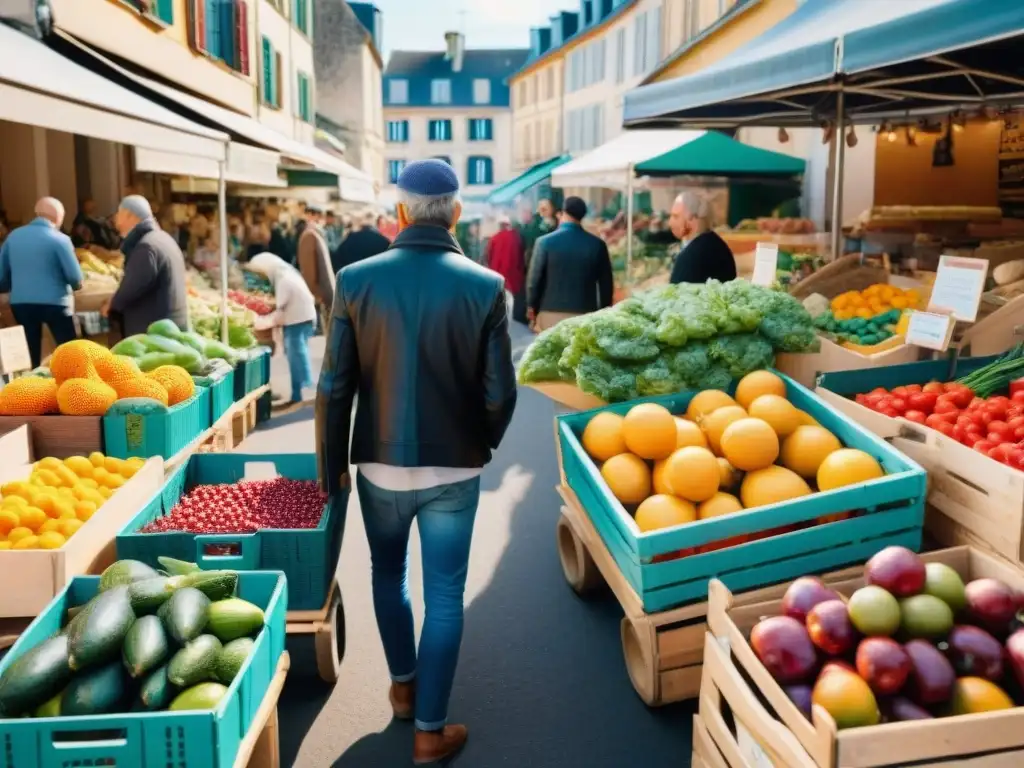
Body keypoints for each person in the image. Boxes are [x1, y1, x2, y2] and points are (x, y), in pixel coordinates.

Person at [315, 159, 517, 765]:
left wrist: (333, 466)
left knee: (386, 574)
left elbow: (333, 386)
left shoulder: (354, 278)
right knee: (447, 595)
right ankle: (430, 730)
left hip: (377, 464)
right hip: (454, 468)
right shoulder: (486, 286)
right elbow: (500, 392)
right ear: (455, 213)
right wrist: (480, 442)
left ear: (400, 212)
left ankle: (402, 688)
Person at [0, 198, 83, 368]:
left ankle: (34, 388)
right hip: (57, 303)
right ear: (57, 216)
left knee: (31, 354)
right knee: (68, 352)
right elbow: (75, 277)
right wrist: (76, 287)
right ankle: (70, 385)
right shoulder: (60, 240)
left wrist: (13, 289)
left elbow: (1, 275)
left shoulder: (13, 237)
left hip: (21, 303)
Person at [102, 195, 188, 336]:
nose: (115, 219)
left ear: (129, 215)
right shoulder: (162, 238)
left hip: (155, 331)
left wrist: (113, 304)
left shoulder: (146, 246)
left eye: (118, 214)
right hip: (168, 325)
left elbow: (133, 286)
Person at [526, 196, 614, 332]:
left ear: (563, 213)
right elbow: (606, 285)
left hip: (549, 313)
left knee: (549, 352)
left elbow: (534, 281)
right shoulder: (598, 245)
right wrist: (602, 313)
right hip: (584, 315)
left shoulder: (544, 242)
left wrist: (532, 307)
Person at [247, 252, 317, 405]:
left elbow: (280, 309)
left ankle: (302, 394)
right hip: (302, 318)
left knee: (297, 357)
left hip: (298, 320)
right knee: (298, 355)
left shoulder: (284, 280)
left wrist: (262, 322)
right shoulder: (287, 274)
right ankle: (300, 393)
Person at [668, 190, 737, 284]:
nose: (670, 223)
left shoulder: (692, 255)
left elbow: (676, 292)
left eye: (676, 217)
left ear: (692, 218)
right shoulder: (713, 243)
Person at [296, 207, 335, 329]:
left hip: (318, 297)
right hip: (321, 295)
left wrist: (313, 294)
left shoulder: (310, 235)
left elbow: (309, 272)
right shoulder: (314, 235)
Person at [331, 210, 391, 274]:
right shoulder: (383, 242)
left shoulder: (349, 240)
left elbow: (336, 263)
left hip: (352, 279)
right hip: (376, 280)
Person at [485, 215, 525, 308]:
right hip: (513, 280)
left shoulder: (494, 238)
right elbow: (521, 257)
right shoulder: (516, 237)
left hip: (497, 279)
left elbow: (488, 257)